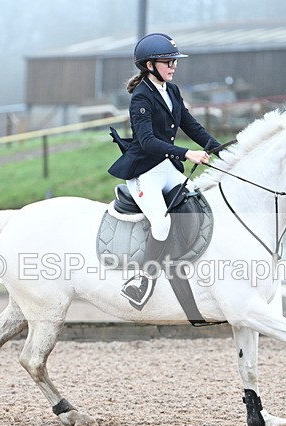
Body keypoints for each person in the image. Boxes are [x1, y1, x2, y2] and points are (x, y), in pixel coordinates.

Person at [108, 33, 220, 309]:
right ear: (149, 65)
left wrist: (223, 150)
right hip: (145, 171)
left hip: (166, 166)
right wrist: (187, 153)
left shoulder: (172, 91)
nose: (173, 66)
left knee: (200, 202)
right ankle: (142, 280)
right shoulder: (140, 98)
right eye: (168, 62)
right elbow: (147, 142)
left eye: (174, 62)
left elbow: (191, 126)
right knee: (161, 222)